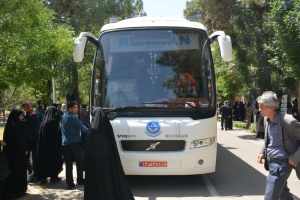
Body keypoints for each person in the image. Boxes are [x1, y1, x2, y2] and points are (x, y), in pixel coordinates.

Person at [256, 91, 300, 200]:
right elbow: (268, 139)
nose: (259, 110)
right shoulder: (267, 119)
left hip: (283, 163)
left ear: (270, 108)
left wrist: (295, 157)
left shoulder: (288, 121)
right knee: (282, 193)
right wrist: (262, 152)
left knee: (270, 196)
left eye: (261, 107)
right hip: (272, 162)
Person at [84, 107, 135, 200]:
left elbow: (88, 148)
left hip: (95, 164)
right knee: (108, 181)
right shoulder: (107, 126)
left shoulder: (92, 129)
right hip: (107, 162)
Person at [61, 101, 88, 189]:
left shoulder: (65, 115)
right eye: (75, 107)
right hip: (75, 143)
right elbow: (84, 129)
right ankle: (80, 180)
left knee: (68, 164)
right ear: (70, 109)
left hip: (65, 143)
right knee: (80, 161)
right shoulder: (73, 118)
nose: (77, 109)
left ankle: (69, 183)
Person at [3, 109, 28, 198]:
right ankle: (15, 191)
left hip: (19, 155)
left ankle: (21, 190)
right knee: (15, 172)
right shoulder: (12, 127)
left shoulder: (17, 126)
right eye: (20, 116)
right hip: (14, 155)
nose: (21, 117)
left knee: (20, 171)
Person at [36, 106, 63, 184]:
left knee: (44, 163)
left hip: (43, 147)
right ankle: (53, 176)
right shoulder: (51, 122)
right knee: (55, 161)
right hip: (52, 146)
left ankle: (43, 178)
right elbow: (55, 135)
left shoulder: (43, 122)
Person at [22, 101, 41, 182]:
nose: (29, 109)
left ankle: (36, 175)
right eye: (27, 107)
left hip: (36, 139)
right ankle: (29, 171)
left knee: (35, 158)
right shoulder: (22, 117)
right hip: (26, 140)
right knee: (25, 157)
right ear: (24, 108)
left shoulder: (37, 115)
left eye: (30, 106)